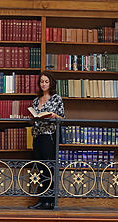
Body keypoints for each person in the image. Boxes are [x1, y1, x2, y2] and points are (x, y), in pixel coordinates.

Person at [30, 71, 65, 210]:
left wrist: (54, 115)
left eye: (46, 81)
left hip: (49, 135)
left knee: (49, 168)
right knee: (40, 168)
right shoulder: (35, 100)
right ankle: (41, 199)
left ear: (51, 83)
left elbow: (62, 118)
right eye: (41, 82)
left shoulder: (56, 99)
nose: (43, 84)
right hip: (37, 135)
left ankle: (49, 201)